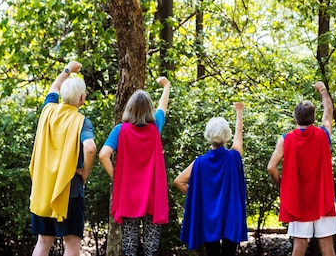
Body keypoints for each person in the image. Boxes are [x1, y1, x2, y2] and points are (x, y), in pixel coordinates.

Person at [98, 77, 171, 256]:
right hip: (153, 193)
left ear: (129, 108)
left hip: (129, 193)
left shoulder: (120, 131)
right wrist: (167, 86)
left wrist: (117, 177)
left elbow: (103, 155)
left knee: (129, 246)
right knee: (151, 247)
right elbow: (163, 106)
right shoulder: (155, 127)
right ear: (149, 110)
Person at [29, 61, 96, 256]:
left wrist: (67, 69)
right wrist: (85, 172)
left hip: (43, 190)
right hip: (69, 191)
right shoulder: (81, 121)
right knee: (71, 244)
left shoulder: (47, 111)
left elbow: (54, 87)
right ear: (82, 98)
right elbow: (90, 147)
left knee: (43, 242)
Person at [267, 82, 336, 256]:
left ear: (295, 118)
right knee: (327, 246)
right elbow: (328, 111)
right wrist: (323, 90)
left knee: (299, 246)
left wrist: (282, 184)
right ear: (314, 118)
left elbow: (271, 167)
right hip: (323, 197)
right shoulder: (324, 134)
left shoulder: (286, 139)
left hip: (297, 199)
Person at [174, 102, 247, 256]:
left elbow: (178, 181)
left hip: (208, 216)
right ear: (226, 134)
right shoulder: (233, 157)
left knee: (211, 252)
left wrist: (197, 195)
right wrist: (239, 113)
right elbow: (239, 138)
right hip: (230, 216)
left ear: (208, 135)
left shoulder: (199, 163)